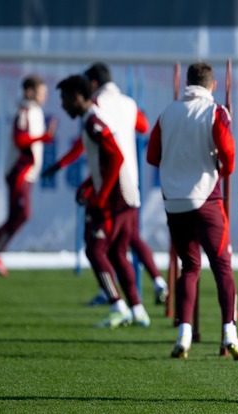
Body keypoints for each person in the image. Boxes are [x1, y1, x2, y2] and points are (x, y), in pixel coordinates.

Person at [146, 62, 238, 361]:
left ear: (187, 83)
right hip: (206, 198)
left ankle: (184, 334)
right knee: (222, 267)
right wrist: (223, 170)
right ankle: (229, 332)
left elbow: (153, 156)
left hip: (174, 201)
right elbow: (228, 151)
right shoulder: (216, 111)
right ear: (213, 85)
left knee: (188, 267)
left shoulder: (167, 112)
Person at [43, 62, 169, 305]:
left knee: (100, 247)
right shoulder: (129, 102)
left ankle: (117, 300)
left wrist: (63, 166)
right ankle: (154, 284)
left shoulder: (96, 106)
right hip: (130, 178)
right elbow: (143, 127)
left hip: (110, 181)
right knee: (129, 237)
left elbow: (89, 139)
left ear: (90, 85)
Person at [56, 75, 150, 328]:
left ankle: (117, 306)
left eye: (64, 100)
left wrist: (100, 195)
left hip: (117, 196)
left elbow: (117, 157)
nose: (63, 106)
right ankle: (138, 310)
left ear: (77, 97)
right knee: (118, 253)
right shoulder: (93, 120)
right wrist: (88, 186)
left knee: (95, 250)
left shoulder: (93, 122)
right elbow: (105, 162)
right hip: (125, 192)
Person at [0, 76, 56, 277]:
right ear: (29, 92)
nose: (45, 96)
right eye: (41, 92)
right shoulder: (25, 111)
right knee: (21, 213)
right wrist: (43, 137)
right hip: (19, 170)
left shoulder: (35, 111)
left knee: (19, 215)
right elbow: (19, 138)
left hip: (27, 172)